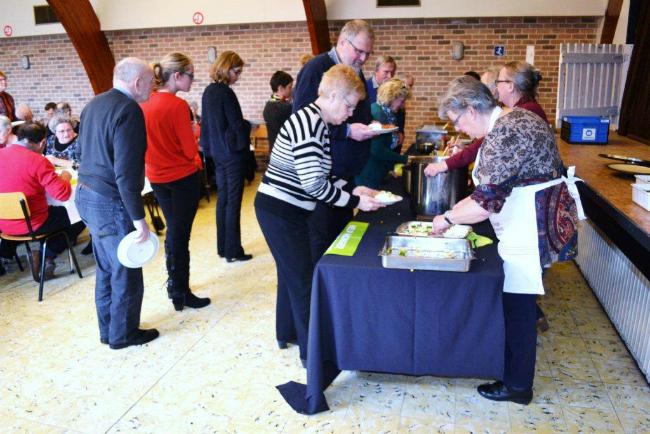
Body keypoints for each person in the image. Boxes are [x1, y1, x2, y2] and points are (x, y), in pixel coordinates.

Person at [432, 76, 582, 404]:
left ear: (471, 109)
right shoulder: (514, 117)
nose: (459, 130)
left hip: (529, 226)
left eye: (457, 121)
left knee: (518, 308)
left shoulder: (505, 131)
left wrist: (446, 219)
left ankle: (517, 387)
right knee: (521, 306)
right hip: (530, 218)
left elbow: (484, 202)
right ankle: (514, 375)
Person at [255, 65, 384, 363]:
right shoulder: (309, 123)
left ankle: (290, 335)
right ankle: (313, 357)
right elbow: (314, 185)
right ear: (334, 96)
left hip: (290, 210)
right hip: (279, 211)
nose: (350, 114)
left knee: (294, 276)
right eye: (350, 106)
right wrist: (353, 202)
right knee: (303, 281)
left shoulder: (318, 123)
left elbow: (321, 177)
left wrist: (355, 190)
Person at [75, 57, 159, 350]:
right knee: (126, 268)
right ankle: (124, 335)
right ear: (137, 83)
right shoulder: (129, 111)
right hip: (110, 200)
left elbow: (82, 152)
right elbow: (126, 173)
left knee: (107, 268)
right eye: (151, 81)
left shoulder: (94, 103)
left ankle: (108, 329)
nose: (152, 86)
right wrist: (139, 221)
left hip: (85, 195)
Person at [292, 19, 378, 261]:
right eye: (359, 50)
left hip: (344, 175)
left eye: (368, 53)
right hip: (321, 178)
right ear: (342, 41)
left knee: (341, 240)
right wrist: (349, 131)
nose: (363, 58)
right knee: (322, 243)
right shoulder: (315, 69)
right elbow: (304, 121)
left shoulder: (355, 72)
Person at [140, 52, 210, 312]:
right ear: (177, 76)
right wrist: (196, 132)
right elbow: (188, 149)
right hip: (182, 177)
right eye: (190, 75)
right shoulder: (177, 106)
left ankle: (176, 285)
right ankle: (180, 290)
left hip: (157, 177)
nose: (193, 81)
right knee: (180, 236)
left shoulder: (144, 102)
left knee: (175, 232)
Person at [424, 63, 547, 177]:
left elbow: (489, 143)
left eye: (498, 82)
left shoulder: (520, 115)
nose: (494, 88)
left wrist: (447, 164)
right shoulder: (515, 112)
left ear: (510, 86)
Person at [0, 122, 84, 281]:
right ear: (43, 142)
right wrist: (65, 176)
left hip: (3, 224)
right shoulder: (37, 160)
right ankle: (47, 254)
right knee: (82, 214)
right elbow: (63, 194)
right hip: (33, 223)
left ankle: (4, 255)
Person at [200, 50, 253, 262]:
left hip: (217, 154)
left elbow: (211, 127)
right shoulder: (226, 93)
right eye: (237, 71)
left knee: (223, 201)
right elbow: (236, 127)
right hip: (232, 155)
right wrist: (249, 124)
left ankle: (223, 247)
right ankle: (233, 250)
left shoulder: (208, 91)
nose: (238, 76)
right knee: (233, 203)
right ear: (227, 68)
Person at [356, 78, 411, 188]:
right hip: (369, 174)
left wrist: (391, 167)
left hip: (377, 171)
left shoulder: (387, 114)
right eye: (402, 101)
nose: (403, 105)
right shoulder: (378, 114)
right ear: (392, 97)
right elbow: (377, 149)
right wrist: (405, 159)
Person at [262, 71, 294, 152]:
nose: (291, 90)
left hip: (273, 149)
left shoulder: (268, 105)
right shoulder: (285, 107)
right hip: (285, 150)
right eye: (290, 87)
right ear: (280, 88)